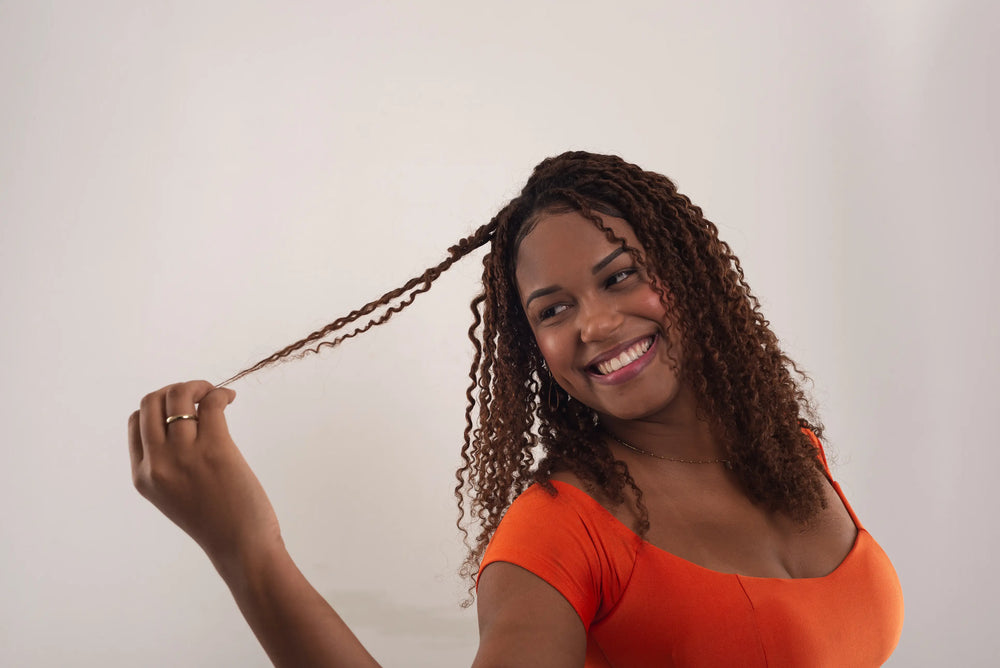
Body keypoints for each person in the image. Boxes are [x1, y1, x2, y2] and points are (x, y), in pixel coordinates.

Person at [128, 151, 904, 666]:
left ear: (690, 272)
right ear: (533, 347)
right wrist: (250, 555)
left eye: (620, 276)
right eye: (553, 309)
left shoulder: (791, 451)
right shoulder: (562, 530)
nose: (595, 324)